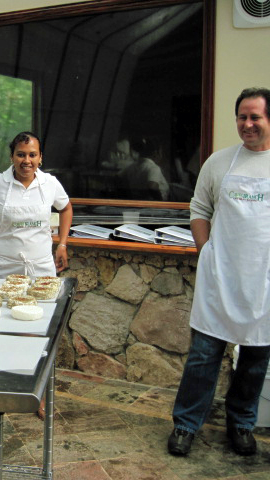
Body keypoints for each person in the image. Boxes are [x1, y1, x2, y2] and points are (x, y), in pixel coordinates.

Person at [167, 87, 270, 457]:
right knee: (203, 356)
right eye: (242, 116)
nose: (247, 124)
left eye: (255, 117)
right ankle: (185, 425)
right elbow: (199, 208)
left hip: (264, 281)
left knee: (255, 360)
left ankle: (241, 424)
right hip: (221, 276)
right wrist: (206, 251)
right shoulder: (219, 162)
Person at [0, 131, 73, 278]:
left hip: (41, 267)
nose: (27, 160)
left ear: (40, 157)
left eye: (32, 155)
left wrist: (62, 244)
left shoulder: (50, 183)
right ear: (12, 157)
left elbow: (66, 208)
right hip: (3, 267)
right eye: (21, 155)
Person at [117, 136, 169, 200]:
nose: (161, 155)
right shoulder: (153, 168)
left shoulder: (131, 166)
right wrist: (160, 202)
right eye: (161, 152)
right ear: (156, 153)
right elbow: (152, 187)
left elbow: (117, 177)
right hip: (153, 205)